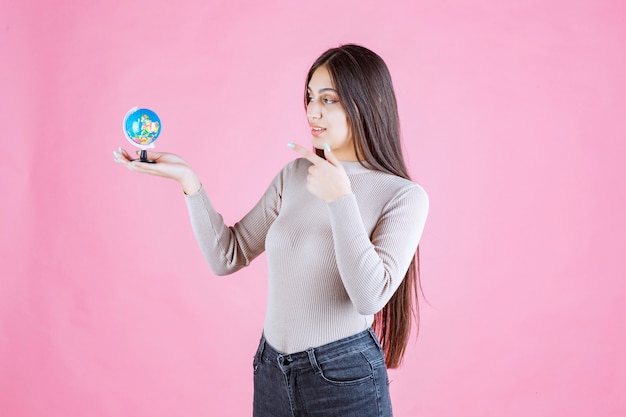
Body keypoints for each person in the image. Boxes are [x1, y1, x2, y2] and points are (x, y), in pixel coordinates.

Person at [113, 44, 429, 417]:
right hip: (271, 369)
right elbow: (227, 255)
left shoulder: (403, 196)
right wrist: (189, 181)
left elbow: (369, 297)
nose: (312, 111)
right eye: (310, 97)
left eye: (328, 100)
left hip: (343, 377)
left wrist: (341, 199)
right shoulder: (294, 175)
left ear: (369, 100)